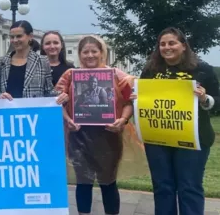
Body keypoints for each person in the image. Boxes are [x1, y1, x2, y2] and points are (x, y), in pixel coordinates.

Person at [135, 27, 218, 215]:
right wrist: (136, 98)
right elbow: (142, 96)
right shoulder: (150, 69)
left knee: (189, 187)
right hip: (158, 138)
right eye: (162, 44)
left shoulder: (202, 69)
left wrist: (205, 98)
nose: (166, 47)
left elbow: (217, 101)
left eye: (172, 43)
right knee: (163, 187)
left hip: (193, 139)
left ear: (183, 45)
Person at [56, 35, 134, 215]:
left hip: (109, 136)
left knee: (109, 182)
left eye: (94, 51)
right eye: (85, 52)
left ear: (102, 53)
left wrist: (122, 120)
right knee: (83, 183)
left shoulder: (116, 76)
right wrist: (67, 118)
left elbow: (130, 102)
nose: (89, 55)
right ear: (79, 54)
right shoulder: (70, 76)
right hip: (79, 136)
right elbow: (57, 103)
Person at [0, 20, 62, 100]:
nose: (15, 40)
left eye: (19, 36)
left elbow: (49, 91)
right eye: (12, 37)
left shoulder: (43, 61)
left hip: (33, 111)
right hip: (8, 111)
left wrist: (60, 95)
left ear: (30, 36)